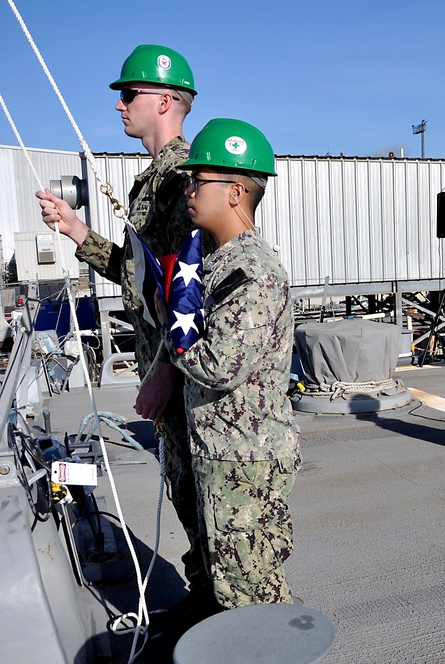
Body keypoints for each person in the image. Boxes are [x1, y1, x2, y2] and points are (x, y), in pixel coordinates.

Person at [35, 45, 213, 617]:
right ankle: (205, 598)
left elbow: (190, 295)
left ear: (165, 100)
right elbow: (147, 281)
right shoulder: (155, 180)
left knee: (204, 497)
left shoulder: (182, 180)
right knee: (186, 494)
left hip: (183, 372)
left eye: (129, 93)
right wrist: (77, 231)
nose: (119, 105)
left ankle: (222, 612)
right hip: (170, 370)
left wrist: (163, 371)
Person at [171, 118, 299, 609]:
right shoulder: (217, 261)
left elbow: (221, 364)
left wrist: (175, 339)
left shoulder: (253, 271)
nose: (189, 190)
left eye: (198, 181)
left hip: (244, 459)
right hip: (223, 451)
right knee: (231, 589)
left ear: (235, 192)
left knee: (252, 601)